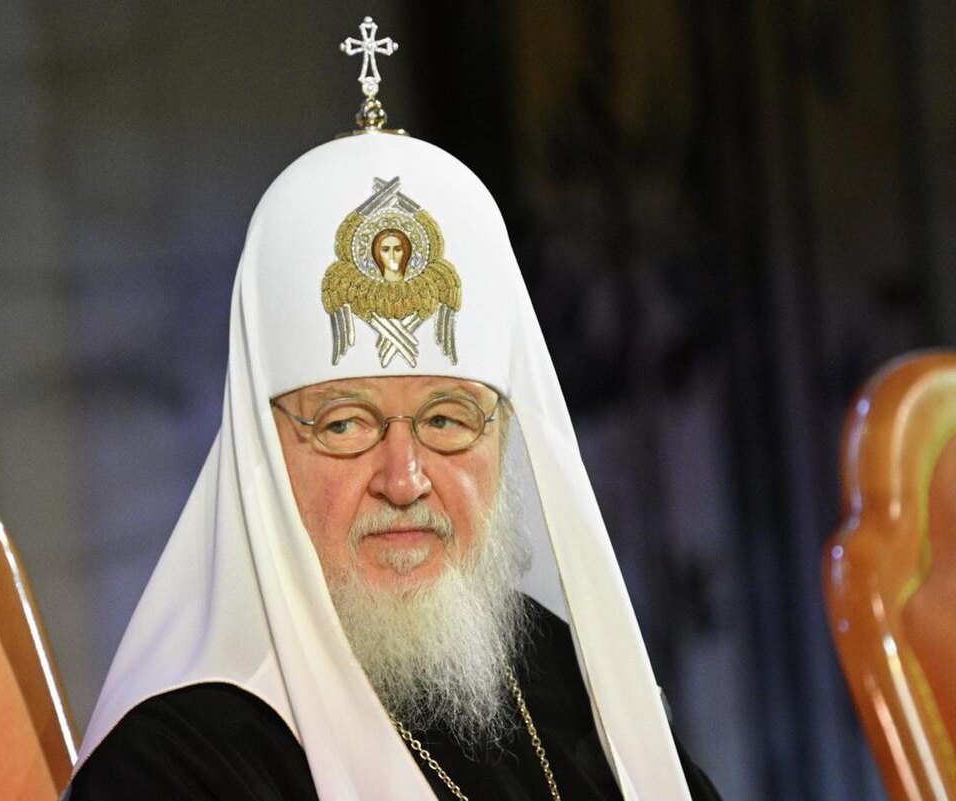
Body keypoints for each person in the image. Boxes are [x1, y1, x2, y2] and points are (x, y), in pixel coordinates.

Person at [70, 26, 721, 799]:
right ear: (262, 454)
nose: (404, 479)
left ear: (505, 438)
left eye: (447, 420)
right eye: (345, 424)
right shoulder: (175, 762)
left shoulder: (555, 669)